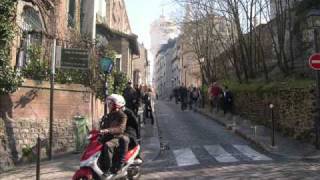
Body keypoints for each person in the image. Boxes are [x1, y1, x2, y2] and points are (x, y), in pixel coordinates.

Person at [100, 94, 128, 174]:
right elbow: (103, 126)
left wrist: (108, 130)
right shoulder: (108, 115)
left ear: (116, 104)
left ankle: (108, 169)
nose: (108, 105)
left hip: (117, 137)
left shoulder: (122, 115)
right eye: (108, 102)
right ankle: (99, 165)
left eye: (110, 103)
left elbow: (121, 128)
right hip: (108, 136)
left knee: (107, 145)